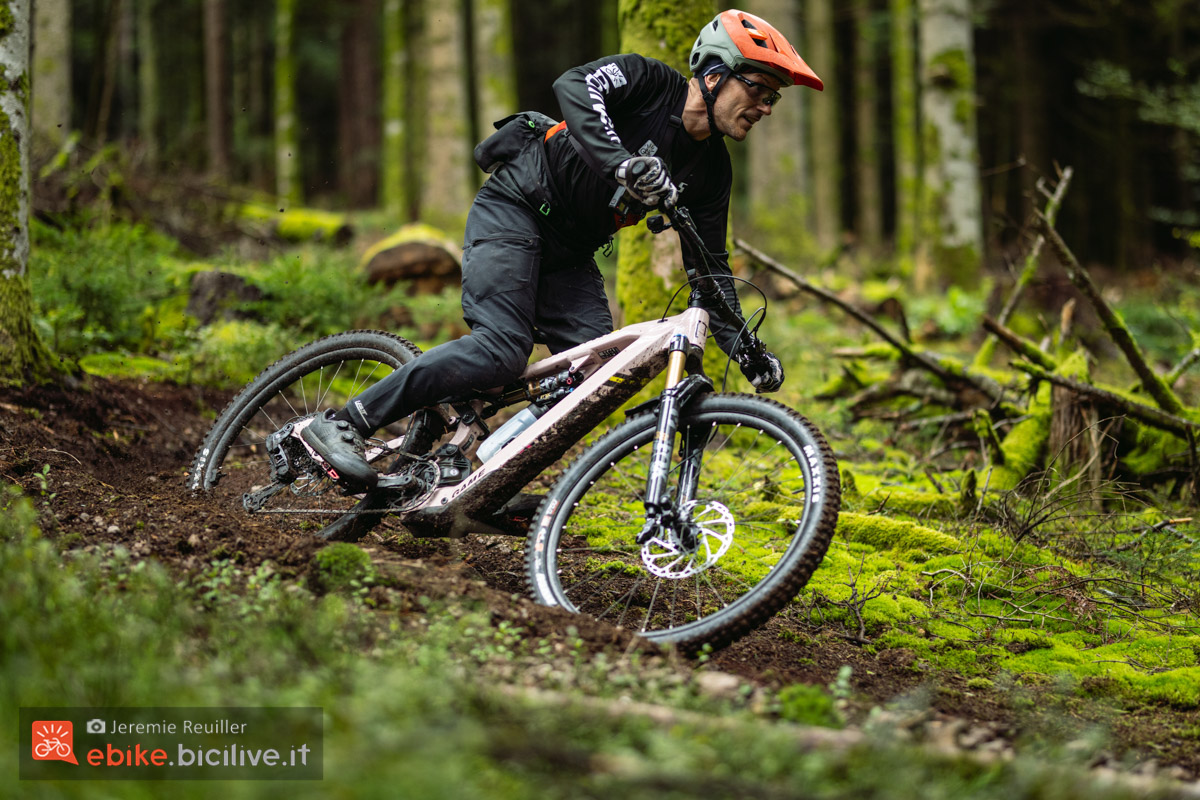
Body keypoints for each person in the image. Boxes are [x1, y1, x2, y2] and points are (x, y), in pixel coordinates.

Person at [304, 8, 824, 489]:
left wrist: (743, 346)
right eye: (758, 89)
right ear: (714, 76)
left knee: (597, 378)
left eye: (773, 99)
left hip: (571, 254)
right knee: (501, 352)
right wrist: (619, 161)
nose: (764, 108)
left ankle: (486, 479)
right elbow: (574, 85)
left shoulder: (712, 170)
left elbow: (708, 267)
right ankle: (341, 423)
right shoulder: (649, 80)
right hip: (517, 208)